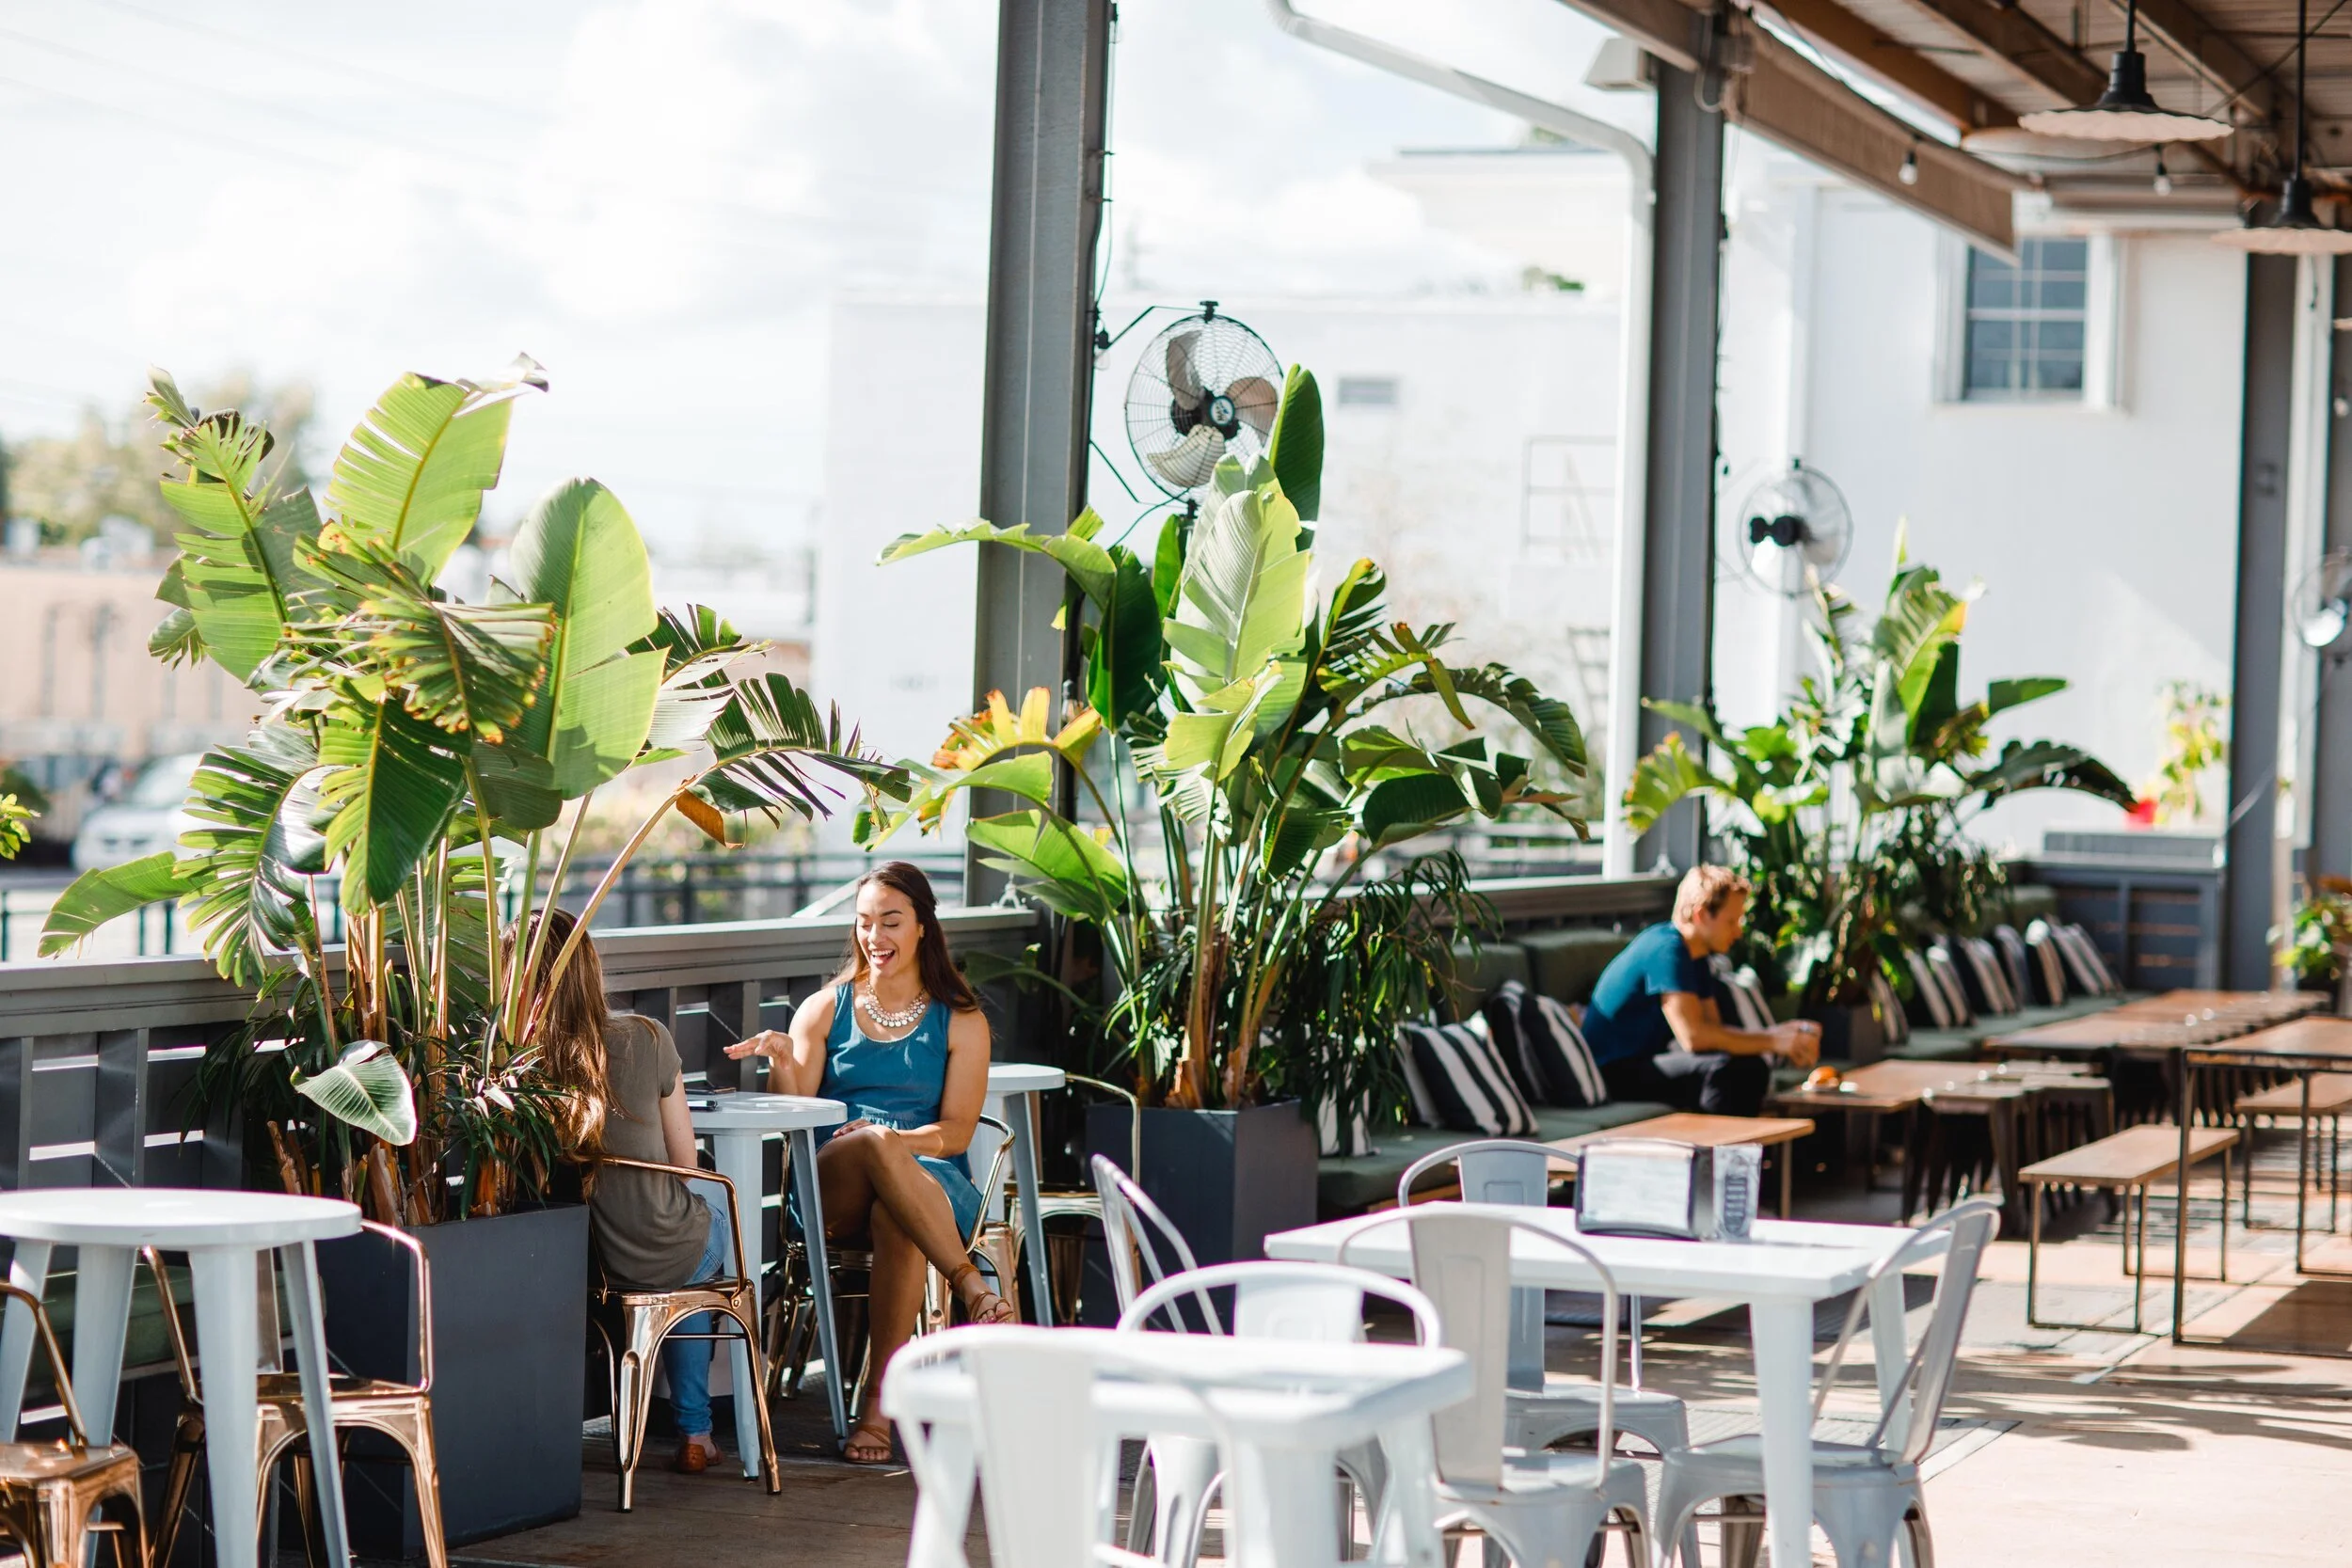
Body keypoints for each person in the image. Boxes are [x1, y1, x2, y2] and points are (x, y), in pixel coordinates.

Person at [723, 860, 1010, 1465]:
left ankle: (877, 1411)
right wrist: (780, 1054)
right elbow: (794, 1112)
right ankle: (969, 1283)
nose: (875, 937)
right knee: (875, 1145)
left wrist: (895, 1143)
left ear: (923, 928)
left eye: (891, 922)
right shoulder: (825, 1008)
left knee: (897, 1217)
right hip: (834, 1183)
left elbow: (957, 1133)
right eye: (863, 923)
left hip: (927, 1186)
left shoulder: (961, 1019)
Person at [529, 905, 737, 1475]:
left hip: (590, 1263)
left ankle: (653, 1415)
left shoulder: (519, 1065)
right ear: (589, 967)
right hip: (664, 1243)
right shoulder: (647, 1036)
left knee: (689, 1245)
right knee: (707, 1223)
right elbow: (685, 1161)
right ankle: (697, 1429)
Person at [1579, 864, 1820, 1116]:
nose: (1738, 932)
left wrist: (1781, 1033)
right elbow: (1694, 1038)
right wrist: (1773, 1041)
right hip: (1613, 1072)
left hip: (1647, 1063)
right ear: (1702, 914)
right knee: (1720, 1071)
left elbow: (1714, 1031)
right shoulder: (1667, 949)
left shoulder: (1698, 958)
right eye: (1731, 921)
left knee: (1751, 1067)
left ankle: (1744, 1152)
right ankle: (1715, 1152)